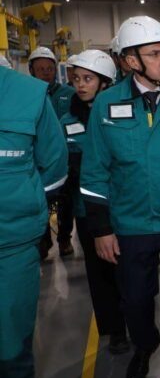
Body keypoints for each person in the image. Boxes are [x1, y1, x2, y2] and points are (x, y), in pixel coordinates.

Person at [79, 15, 160, 378]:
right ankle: (145, 345)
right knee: (135, 302)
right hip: (130, 226)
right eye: (154, 53)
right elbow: (94, 171)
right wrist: (101, 229)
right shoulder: (107, 105)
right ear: (131, 61)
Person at [0, 66, 68, 378]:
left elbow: (54, 165)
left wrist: (21, 205)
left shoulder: (28, 95)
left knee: (11, 344)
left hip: (11, 247)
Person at [60, 50, 130, 355]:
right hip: (87, 210)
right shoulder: (67, 121)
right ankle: (114, 329)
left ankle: (136, 321)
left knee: (128, 272)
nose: (80, 85)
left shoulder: (121, 114)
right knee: (100, 274)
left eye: (87, 79)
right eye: (76, 79)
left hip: (125, 208)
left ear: (105, 83)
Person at [29, 46, 77, 260]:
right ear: (31, 70)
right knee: (41, 202)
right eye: (40, 69)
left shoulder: (69, 94)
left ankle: (64, 238)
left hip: (65, 157)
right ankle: (44, 240)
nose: (46, 73)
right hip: (38, 159)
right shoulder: (29, 95)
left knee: (66, 201)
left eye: (49, 68)